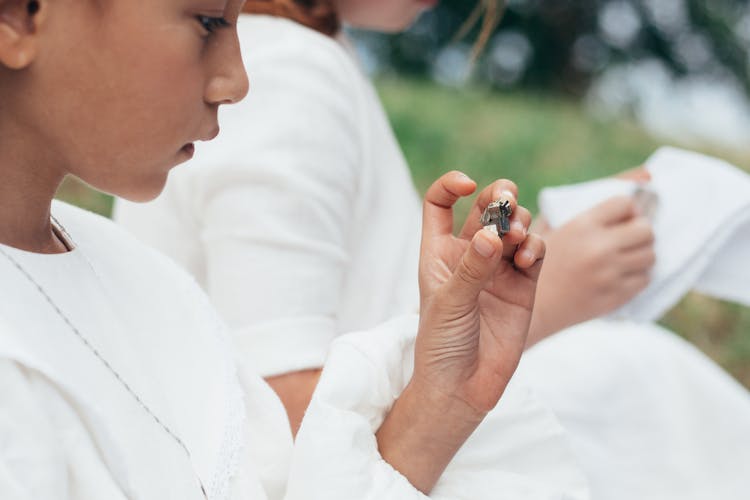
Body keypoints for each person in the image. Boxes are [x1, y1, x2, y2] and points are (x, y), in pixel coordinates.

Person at [113, 2, 750, 499]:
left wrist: (519, 253)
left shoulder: (309, 55)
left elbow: (367, 295)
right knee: (630, 384)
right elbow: (286, 421)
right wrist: (540, 307)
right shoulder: (288, 74)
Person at [0, 0, 597, 498]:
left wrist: (442, 399)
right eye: (208, 21)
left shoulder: (152, 285)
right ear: (19, 16)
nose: (237, 80)